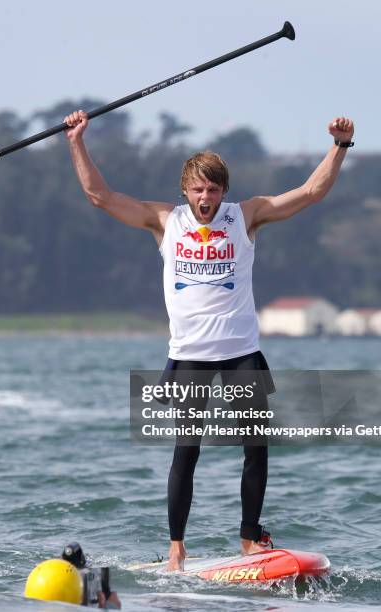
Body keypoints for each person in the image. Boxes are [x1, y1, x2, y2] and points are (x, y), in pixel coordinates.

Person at [63, 109, 354, 571]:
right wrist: (77, 140)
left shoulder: (246, 217)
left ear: (224, 192)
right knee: (187, 451)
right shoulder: (165, 221)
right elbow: (100, 196)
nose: (205, 198)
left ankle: (248, 540)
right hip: (190, 356)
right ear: (185, 190)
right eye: (198, 189)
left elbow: (310, 193)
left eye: (213, 190)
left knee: (256, 446)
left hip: (241, 352)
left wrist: (339, 146)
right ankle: (177, 547)